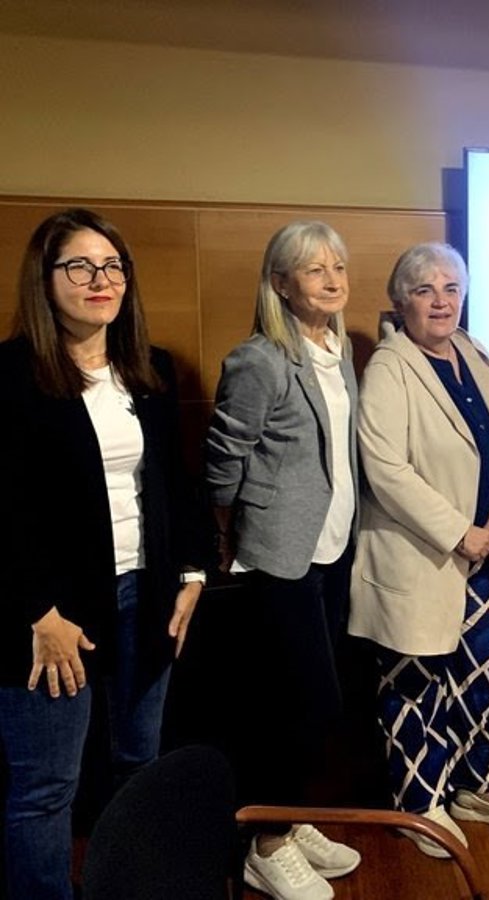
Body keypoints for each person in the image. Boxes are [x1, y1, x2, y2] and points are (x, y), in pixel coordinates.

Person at [0, 208, 208, 900]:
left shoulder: (149, 369)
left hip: (144, 596)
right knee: (45, 788)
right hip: (52, 616)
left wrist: (192, 574)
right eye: (81, 266)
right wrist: (38, 613)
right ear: (45, 277)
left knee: (139, 763)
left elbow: (177, 481)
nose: (101, 279)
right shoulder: (11, 374)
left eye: (113, 266)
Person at [349, 241, 489, 858]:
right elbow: (386, 469)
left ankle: (475, 787)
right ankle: (420, 807)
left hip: (488, 555)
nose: (440, 301)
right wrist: (461, 531)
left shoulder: (474, 351)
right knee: (417, 687)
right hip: (424, 557)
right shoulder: (389, 369)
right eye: (425, 289)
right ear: (400, 300)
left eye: (451, 288)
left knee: (482, 679)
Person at [206, 221, 360, 900]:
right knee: (295, 703)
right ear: (280, 283)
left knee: (313, 701)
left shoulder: (337, 348)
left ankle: (290, 820)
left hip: (332, 549)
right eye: (314, 269)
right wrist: (230, 528)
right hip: (277, 556)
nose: (332, 280)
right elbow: (224, 457)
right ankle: (265, 845)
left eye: (338, 267)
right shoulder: (259, 359)